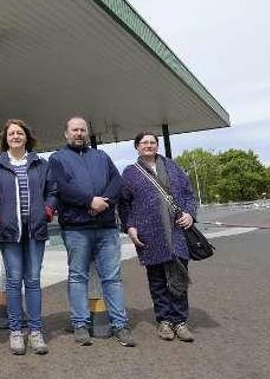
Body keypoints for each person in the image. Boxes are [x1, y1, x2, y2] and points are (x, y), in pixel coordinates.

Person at [48, 116, 136, 347]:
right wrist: (89, 201)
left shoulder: (101, 156)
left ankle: (120, 325)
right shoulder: (57, 159)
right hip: (77, 228)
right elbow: (62, 189)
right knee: (78, 277)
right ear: (66, 134)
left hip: (106, 227)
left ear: (87, 133)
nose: (79, 133)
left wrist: (103, 202)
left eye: (82, 130)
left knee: (113, 278)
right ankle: (80, 324)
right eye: (74, 130)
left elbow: (116, 182)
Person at [0, 119, 58, 355]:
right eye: (11, 133)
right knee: (14, 282)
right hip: (9, 232)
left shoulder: (40, 164)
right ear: (5, 139)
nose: (15, 136)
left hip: (35, 231)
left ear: (26, 137)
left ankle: (35, 331)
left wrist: (47, 210)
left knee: (34, 281)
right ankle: (15, 332)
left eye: (20, 133)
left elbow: (52, 191)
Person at [118, 132, 197, 343]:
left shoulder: (173, 167)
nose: (149, 145)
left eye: (152, 142)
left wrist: (190, 214)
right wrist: (130, 226)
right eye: (144, 143)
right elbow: (124, 204)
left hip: (177, 232)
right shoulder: (130, 173)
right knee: (157, 280)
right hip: (149, 235)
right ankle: (164, 321)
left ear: (157, 146)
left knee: (178, 275)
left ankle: (180, 321)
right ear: (137, 147)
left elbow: (189, 194)